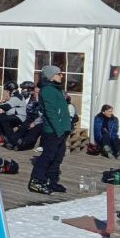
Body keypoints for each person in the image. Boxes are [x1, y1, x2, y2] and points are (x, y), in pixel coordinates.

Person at [29, 65, 71, 195]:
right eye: (59, 74)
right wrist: (58, 130)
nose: (61, 76)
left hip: (61, 130)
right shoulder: (47, 90)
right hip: (53, 131)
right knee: (47, 156)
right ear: (51, 76)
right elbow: (50, 112)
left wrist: (65, 129)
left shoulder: (55, 89)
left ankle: (51, 181)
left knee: (57, 157)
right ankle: (36, 181)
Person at [4, 83, 43, 151]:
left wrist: (35, 123)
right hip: (30, 116)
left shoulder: (44, 101)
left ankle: (23, 145)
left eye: (37, 92)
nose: (34, 93)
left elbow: (43, 114)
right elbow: (27, 108)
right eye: (34, 91)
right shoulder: (31, 98)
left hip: (40, 120)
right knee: (22, 127)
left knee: (33, 131)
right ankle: (12, 142)